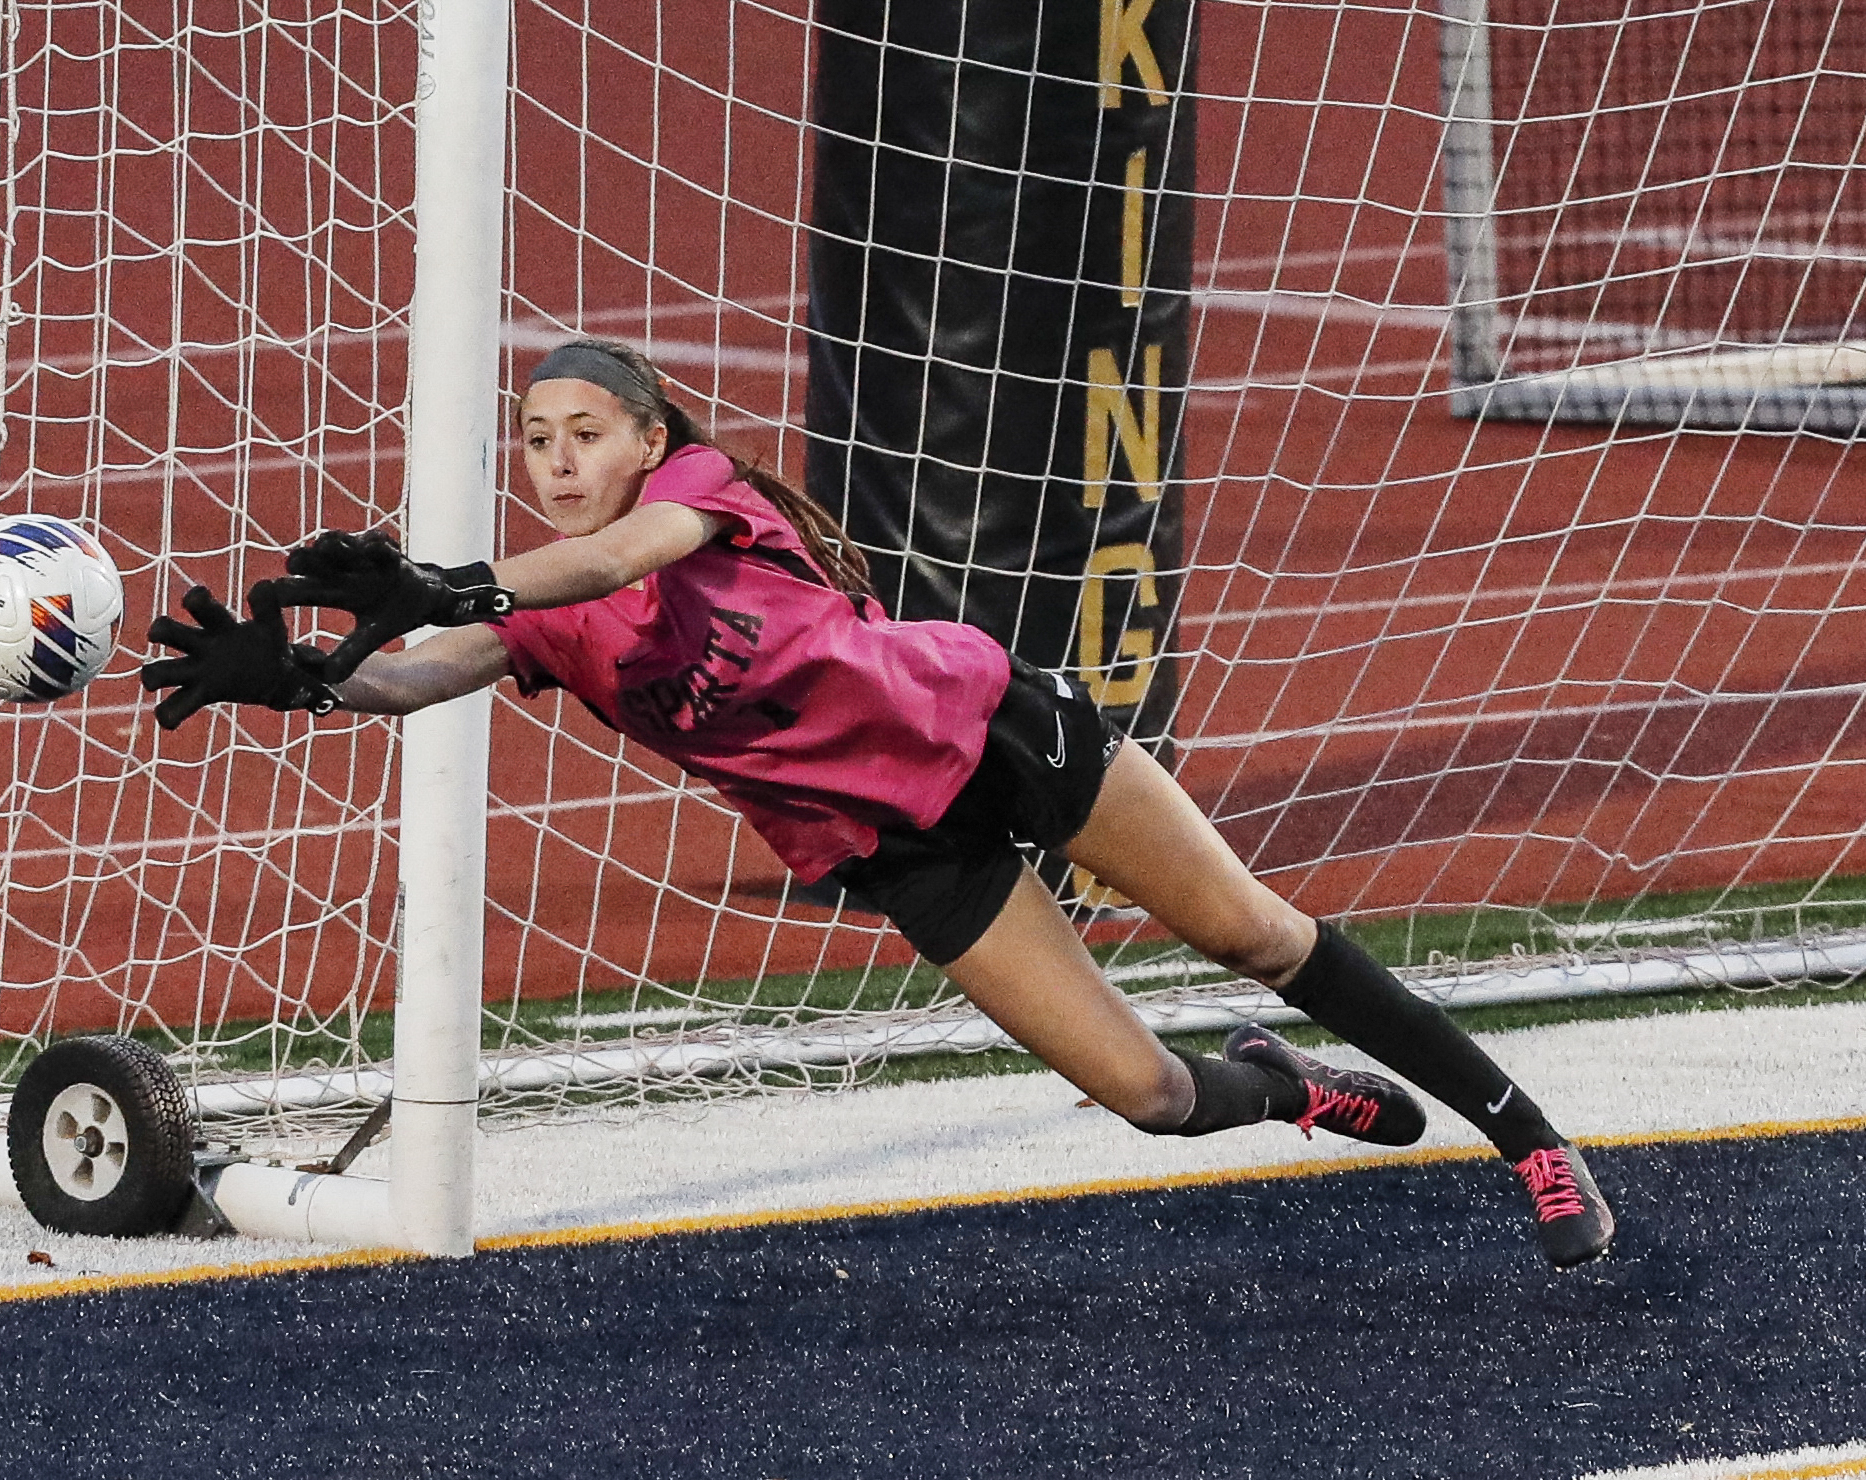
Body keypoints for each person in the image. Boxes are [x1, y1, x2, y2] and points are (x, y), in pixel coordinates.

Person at [139, 334, 1612, 1268]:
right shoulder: (537, 620)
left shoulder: (706, 493)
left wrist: (451, 576)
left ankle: (1529, 1139)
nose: (559, 459)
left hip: (991, 730)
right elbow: (424, 672)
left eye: (585, 429)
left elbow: (605, 562)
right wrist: (304, 681)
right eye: (536, 440)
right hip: (899, 849)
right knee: (1151, 1095)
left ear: (650, 439)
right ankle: (1284, 1084)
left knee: (1255, 932)